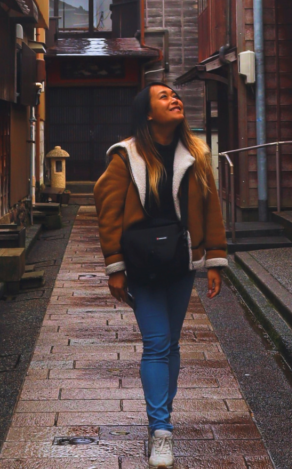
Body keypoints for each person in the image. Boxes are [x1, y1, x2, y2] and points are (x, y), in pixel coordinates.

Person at [94, 83, 228, 468]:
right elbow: (107, 212)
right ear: (148, 113)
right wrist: (114, 267)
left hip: (181, 261)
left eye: (175, 94)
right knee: (156, 343)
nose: (174, 99)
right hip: (142, 263)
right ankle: (162, 430)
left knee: (170, 343)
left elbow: (211, 205)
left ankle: (161, 419)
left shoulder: (196, 153)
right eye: (163, 96)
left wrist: (215, 260)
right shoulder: (126, 156)